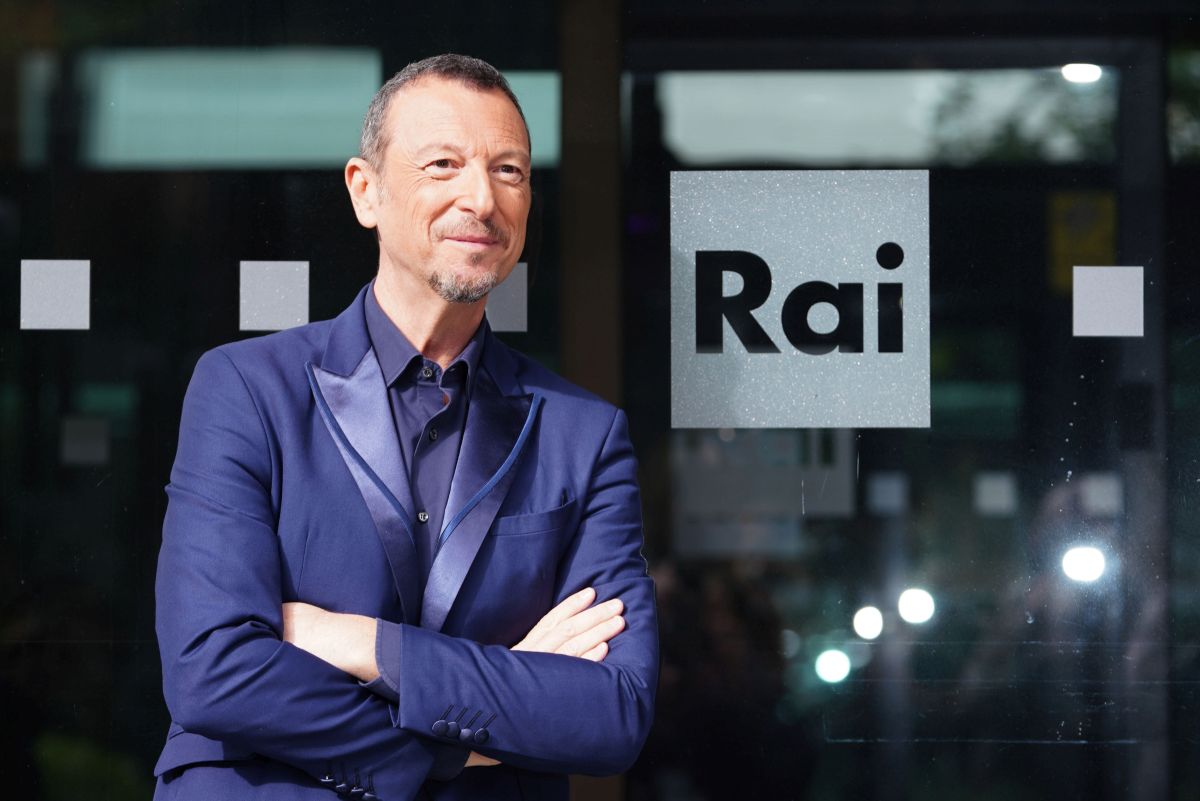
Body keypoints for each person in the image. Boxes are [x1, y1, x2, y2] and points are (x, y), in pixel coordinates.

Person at [153, 53, 658, 801]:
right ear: (367, 191)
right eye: (443, 164)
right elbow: (212, 671)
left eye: (510, 172)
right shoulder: (247, 389)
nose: (481, 198)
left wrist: (359, 642)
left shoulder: (583, 434)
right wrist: (459, 743)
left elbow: (611, 713)